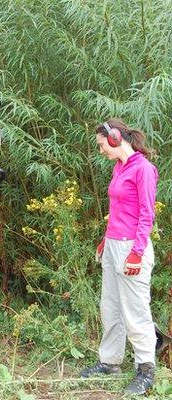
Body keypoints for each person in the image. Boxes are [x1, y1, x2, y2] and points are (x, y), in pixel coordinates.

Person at [80, 118, 158, 395]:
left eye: (102, 145)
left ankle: (146, 369)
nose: (101, 150)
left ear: (115, 139)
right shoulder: (119, 167)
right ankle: (110, 362)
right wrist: (105, 240)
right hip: (113, 245)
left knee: (135, 309)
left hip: (131, 248)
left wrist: (136, 253)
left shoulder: (143, 169)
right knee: (110, 306)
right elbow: (118, 211)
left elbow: (147, 215)